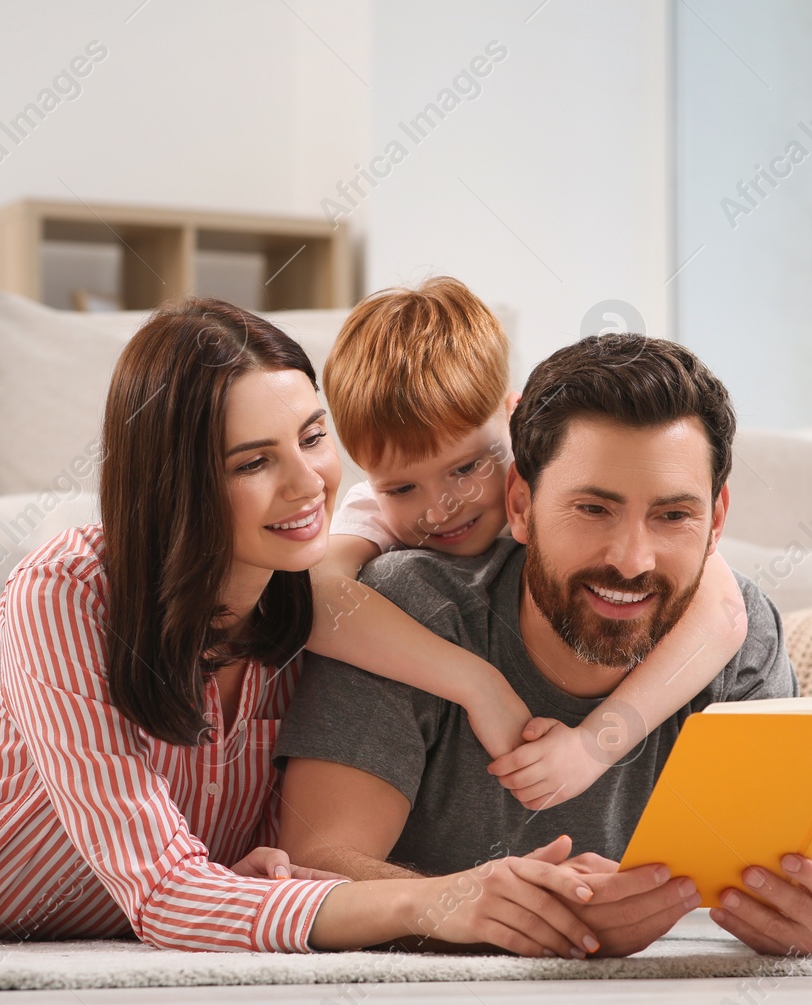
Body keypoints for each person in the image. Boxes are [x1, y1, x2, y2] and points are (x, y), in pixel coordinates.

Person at [0, 300, 678, 958]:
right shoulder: (72, 589)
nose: (306, 482)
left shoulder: (302, 599)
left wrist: (479, 694)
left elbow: (255, 815)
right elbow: (166, 893)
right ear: (178, 478)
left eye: (311, 437)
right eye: (249, 460)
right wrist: (434, 902)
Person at [276, 331, 812, 957]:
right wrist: (486, 907)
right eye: (592, 509)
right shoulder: (409, 607)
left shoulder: (739, 626)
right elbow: (314, 862)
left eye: (673, 516)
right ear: (521, 505)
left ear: (717, 520)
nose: (632, 561)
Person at [310, 278, 749, 807]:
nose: (438, 507)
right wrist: (476, 684)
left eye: (467, 468)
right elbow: (311, 599)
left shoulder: (550, 478)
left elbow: (723, 610)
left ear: (514, 418)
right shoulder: (375, 521)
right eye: (402, 488)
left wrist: (596, 744)